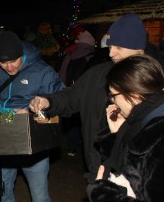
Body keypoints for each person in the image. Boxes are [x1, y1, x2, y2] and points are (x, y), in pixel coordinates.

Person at [29, 13, 159, 182]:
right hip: (97, 168)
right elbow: (73, 96)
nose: (111, 53)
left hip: (139, 175)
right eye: (110, 46)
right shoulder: (98, 74)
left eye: (118, 47)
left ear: (138, 49)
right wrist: (49, 101)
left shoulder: (155, 80)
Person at [0, 31, 65, 202]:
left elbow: (62, 102)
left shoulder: (43, 72)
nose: (8, 67)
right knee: (4, 194)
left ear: (21, 54)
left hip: (33, 143)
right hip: (5, 141)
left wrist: (33, 114)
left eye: (13, 61)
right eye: (3, 62)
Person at [87, 54, 164, 202]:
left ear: (135, 96)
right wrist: (117, 134)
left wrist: (105, 198)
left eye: (113, 95)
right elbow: (131, 166)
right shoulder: (145, 118)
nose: (112, 102)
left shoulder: (158, 139)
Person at [58, 27, 95, 156]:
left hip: (70, 91)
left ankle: (72, 147)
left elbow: (62, 74)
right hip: (86, 93)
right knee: (84, 120)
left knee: (71, 120)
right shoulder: (92, 56)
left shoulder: (70, 54)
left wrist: (63, 90)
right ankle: (84, 145)